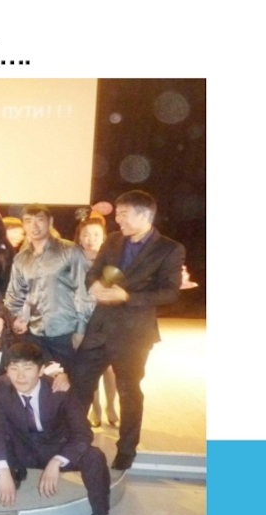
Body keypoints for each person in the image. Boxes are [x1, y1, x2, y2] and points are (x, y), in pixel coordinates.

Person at [73, 190, 185, 470]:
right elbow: (94, 271)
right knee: (80, 385)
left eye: (124, 214)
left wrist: (127, 297)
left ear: (145, 215)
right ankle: (75, 443)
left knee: (129, 391)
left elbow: (170, 293)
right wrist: (93, 285)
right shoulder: (113, 240)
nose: (118, 220)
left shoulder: (169, 249)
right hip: (99, 327)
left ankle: (126, 450)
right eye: (118, 214)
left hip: (134, 333)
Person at [0, 342, 120, 515]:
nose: (20, 376)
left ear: (40, 370)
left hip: (55, 447)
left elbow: (83, 432)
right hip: (21, 448)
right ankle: (15, 469)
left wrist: (57, 461)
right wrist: (2, 471)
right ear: (7, 370)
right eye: (14, 368)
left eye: (28, 368)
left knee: (94, 456)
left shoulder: (58, 389)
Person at [3, 204, 93, 372]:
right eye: (28, 221)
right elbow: (15, 295)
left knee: (68, 381)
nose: (34, 226)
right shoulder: (21, 258)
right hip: (34, 332)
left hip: (66, 332)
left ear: (50, 222)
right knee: (39, 381)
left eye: (39, 220)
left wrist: (80, 331)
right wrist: (14, 319)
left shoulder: (70, 251)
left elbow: (84, 292)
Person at [75, 216, 118, 428]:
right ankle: (96, 407)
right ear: (79, 238)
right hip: (81, 320)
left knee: (110, 369)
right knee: (88, 369)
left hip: (107, 319)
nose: (90, 239)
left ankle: (111, 406)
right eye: (86, 234)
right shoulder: (73, 260)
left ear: (103, 238)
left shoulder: (112, 260)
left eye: (96, 235)